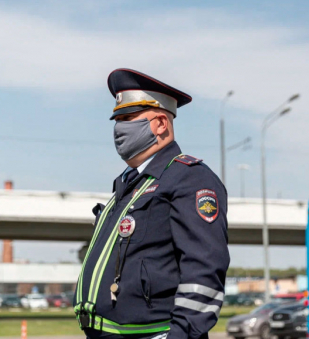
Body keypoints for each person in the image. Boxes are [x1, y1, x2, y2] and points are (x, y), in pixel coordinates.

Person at [74, 68, 230, 339]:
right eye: (117, 119)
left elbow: (204, 270)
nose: (118, 128)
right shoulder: (130, 183)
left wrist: (181, 335)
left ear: (160, 123)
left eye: (128, 118)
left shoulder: (189, 178)